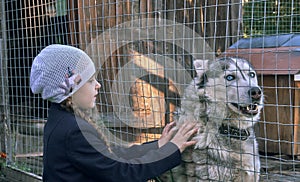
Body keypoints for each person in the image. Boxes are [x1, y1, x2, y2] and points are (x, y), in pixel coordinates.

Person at [30, 44, 198, 182]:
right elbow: (121, 173)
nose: (98, 85)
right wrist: (172, 150)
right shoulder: (73, 130)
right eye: (90, 81)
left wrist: (157, 146)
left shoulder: (62, 119)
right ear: (69, 90)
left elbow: (111, 154)